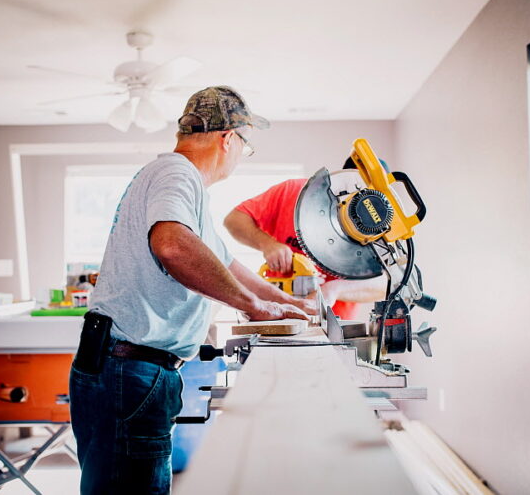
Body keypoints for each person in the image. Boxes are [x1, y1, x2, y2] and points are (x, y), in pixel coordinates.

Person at [69, 86, 313, 495]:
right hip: (130, 370)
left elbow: (225, 261)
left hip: (125, 366)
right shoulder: (177, 173)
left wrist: (284, 302)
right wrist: (254, 307)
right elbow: (171, 245)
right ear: (229, 138)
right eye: (245, 146)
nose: (239, 155)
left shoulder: (180, 184)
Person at [224, 159, 387, 320]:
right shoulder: (294, 192)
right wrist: (267, 244)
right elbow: (234, 220)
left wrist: (334, 289)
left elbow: (385, 283)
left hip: (333, 325)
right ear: (342, 178)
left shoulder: (380, 228)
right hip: (275, 314)